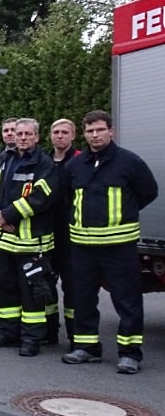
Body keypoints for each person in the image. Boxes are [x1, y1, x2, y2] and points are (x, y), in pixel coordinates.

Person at [62, 110, 158, 374]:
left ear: (111, 131)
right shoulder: (75, 166)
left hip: (119, 246)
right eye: (90, 131)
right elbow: (66, 196)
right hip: (83, 246)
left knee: (127, 300)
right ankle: (87, 347)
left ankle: (129, 353)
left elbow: (148, 191)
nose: (95, 135)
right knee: (82, 298)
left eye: (100, 130)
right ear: (84, 134)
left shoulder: (129, 162)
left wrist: (125, 212)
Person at [0, 118, 57, 357]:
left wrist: (7, 215)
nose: (23, 138)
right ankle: (8, 332)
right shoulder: (5, 161)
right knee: (6, 290)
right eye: (19, 133)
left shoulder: (45, 164)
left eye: (28, 134)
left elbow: (41, 197)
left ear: (36, 137)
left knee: (31, 293)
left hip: (30, 242)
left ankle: (31, 338)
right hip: (4, 240)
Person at [46, 118, 81, 345]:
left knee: (73, 288)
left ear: (73, 136)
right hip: (47, 232)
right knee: (45, 287)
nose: (60, 136)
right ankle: (49, 333)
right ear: (50, 135)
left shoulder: (80, 161)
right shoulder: (44, 161)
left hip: (70, 235)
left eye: (64, 132)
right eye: (56, 132)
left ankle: (75, 335)